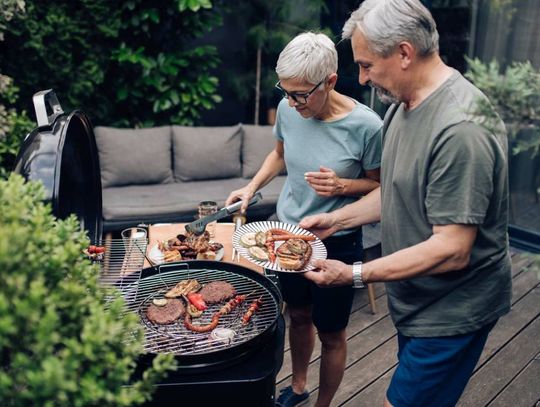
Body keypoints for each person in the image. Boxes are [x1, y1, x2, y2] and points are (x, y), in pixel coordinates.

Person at [299, 1, 512, 406]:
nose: (361, 79)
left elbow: (452, 249)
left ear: (403, 53)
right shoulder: (401, 104)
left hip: (451, 310)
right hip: (413, 298)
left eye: (366, 65)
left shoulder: (462, 128)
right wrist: (338, 220)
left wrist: (354, 274)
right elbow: (396, 192)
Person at [225, 32, 382, 407]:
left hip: (337, 242)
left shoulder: (368, 126)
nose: (292, 102)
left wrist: (343, 184)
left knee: (331, 334)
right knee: (297, 315)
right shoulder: (287, 108)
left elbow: (379, 187)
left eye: (300, 94)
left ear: (329, 82)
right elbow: (278, 155)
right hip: (286, 234)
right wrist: (250, 188)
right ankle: (297, 387)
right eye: (285, 91)